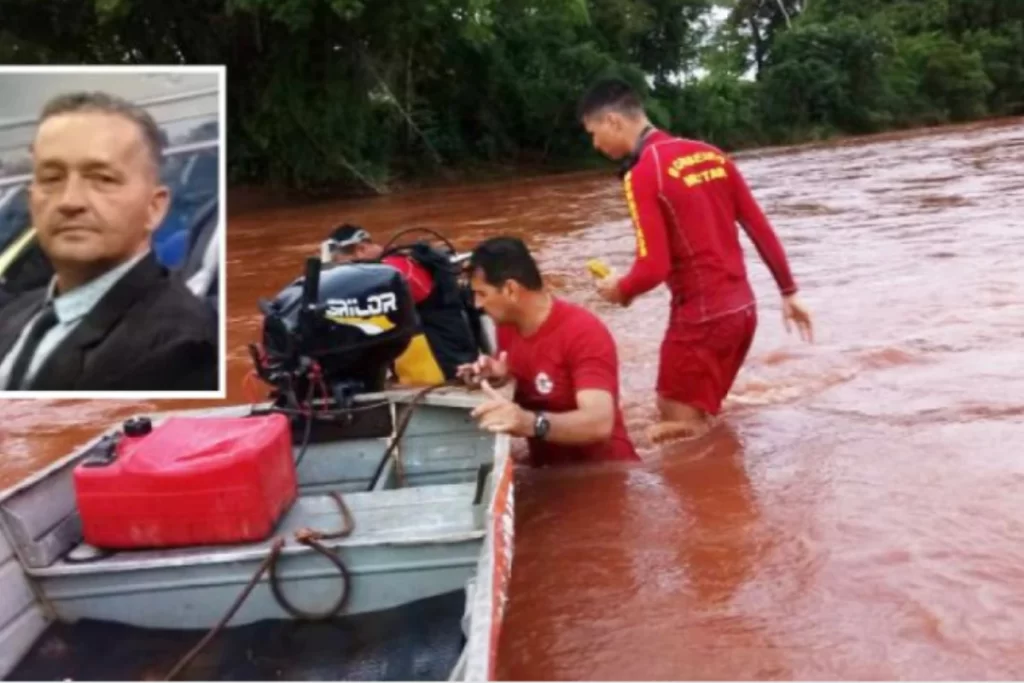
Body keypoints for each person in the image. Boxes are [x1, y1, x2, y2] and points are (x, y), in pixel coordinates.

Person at [576, 78, 814, 442]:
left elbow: (653, 268)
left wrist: (619, 290)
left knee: (674, 432)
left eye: (593, 133)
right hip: (744, 313)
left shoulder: (644, 173)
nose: (594, 144)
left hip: (701, 320)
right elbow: (758, 227)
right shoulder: (710, 154)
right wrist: (789, 291)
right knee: (701, 424)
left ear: (613, 121)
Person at [0, 91, 218, 392]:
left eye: (102, 179)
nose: (70, 201)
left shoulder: (179, 349)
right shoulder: (14, 313)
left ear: (154, 207)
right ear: (30, 200)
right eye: (51, 178)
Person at [458, 236, 639, 467]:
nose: (476, 305)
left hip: (603, 475)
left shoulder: (583, 333)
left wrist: (529, 423)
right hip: (549, 472)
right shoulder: (507, 327)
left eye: (482, 294)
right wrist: (500, 375)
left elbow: (599, 423)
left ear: (511, 290)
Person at [324, 223, 480, 385]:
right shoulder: (394, 264)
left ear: (361, 249)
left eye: (343, 266)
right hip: (446, 353)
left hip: (442, 364)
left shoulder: (396, 270)